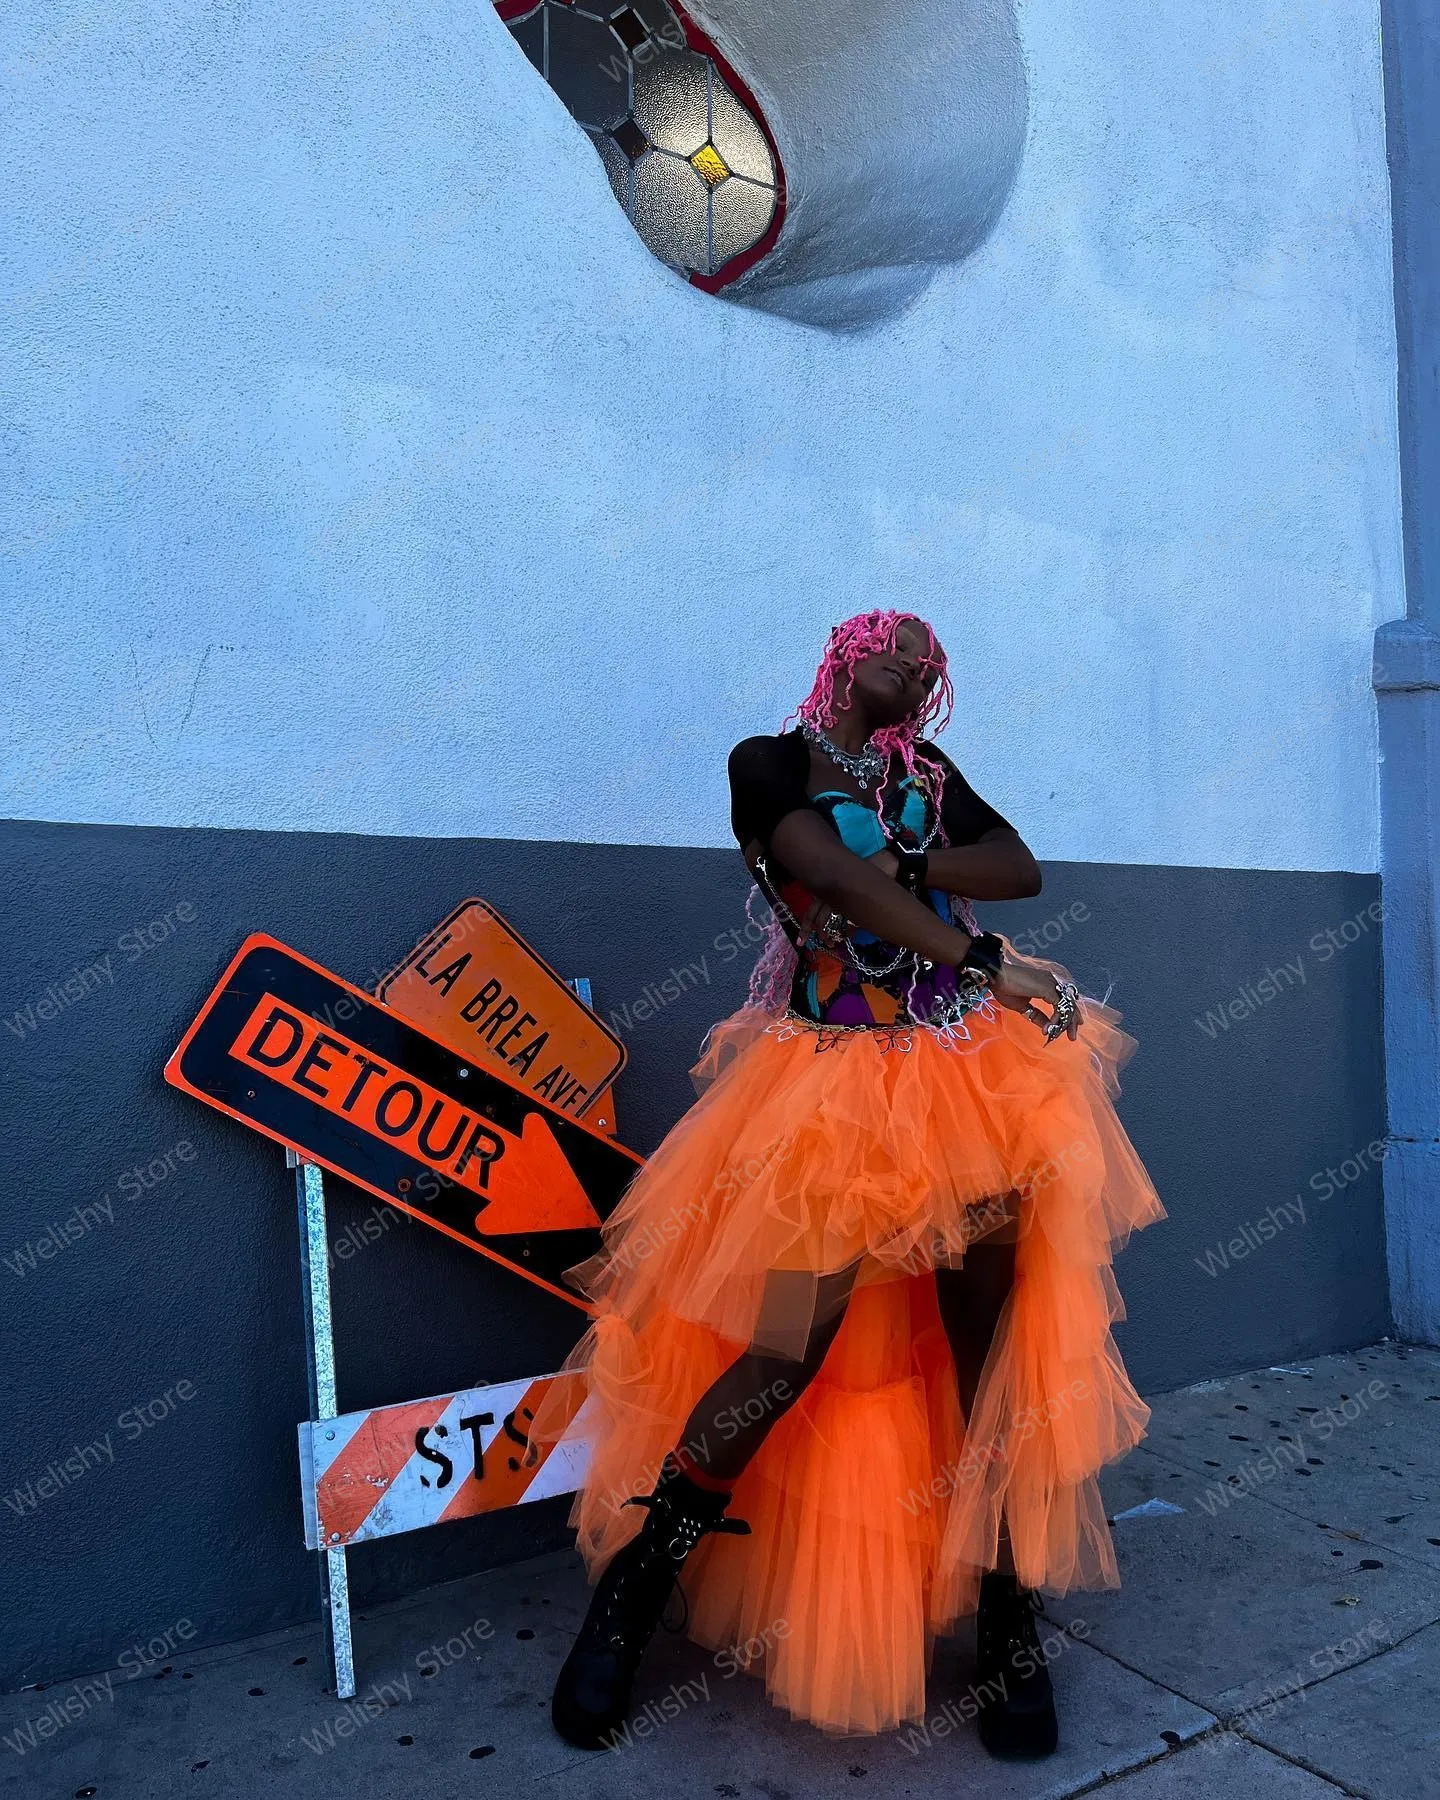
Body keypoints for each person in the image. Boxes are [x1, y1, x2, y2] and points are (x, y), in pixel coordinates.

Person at [532, 609, 1164, 1757]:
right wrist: (984, 959)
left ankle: (1009, 1613)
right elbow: (821, 873)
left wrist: (918, 860)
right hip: (819, 1104)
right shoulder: (767, 764)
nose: (922, 672)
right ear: (843, 659)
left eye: (934, 662)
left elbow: (1016, 864)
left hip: (968, 1094)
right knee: (782, 1350)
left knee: (991, 1352)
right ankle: (633, 1588)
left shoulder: (928, 772)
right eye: (900, 652)